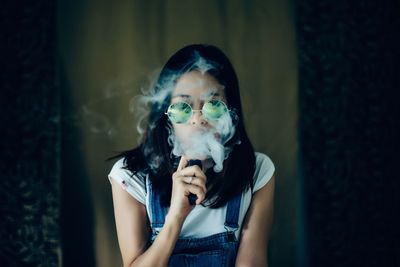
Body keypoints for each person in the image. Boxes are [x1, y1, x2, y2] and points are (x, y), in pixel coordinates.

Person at [107, 44, 275, 267]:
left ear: (231, 113)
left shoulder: (257, 171)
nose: (198, 120)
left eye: (214, 106)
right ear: (166, 117)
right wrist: (175, 217)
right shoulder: (130, 176)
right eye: (182, 108)